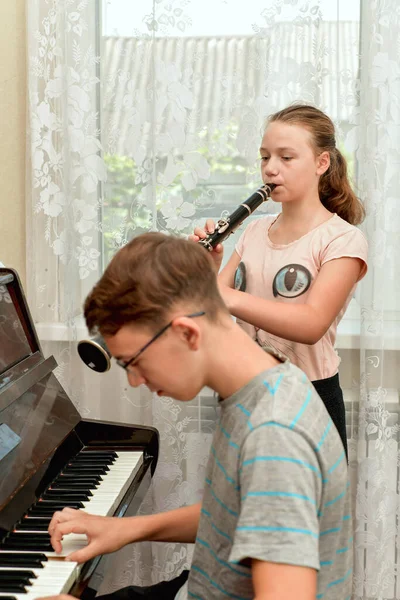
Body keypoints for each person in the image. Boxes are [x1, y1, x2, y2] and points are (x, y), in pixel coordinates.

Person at [37, 231, 351, 600]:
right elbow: (236, 511)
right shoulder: (262, 380)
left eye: (133, 363)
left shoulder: (273, 435)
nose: (136, 381)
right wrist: (125, 529)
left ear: (187, 333)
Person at [191, 103, 368, 457]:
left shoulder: (343, 240)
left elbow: (311, 324)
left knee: (301, 512)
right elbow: (213, 314)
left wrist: (223, 295)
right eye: (265, 157)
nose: (270, 169)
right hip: (244, 391)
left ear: (322, 163)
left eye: (286, 158)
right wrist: (209, 273)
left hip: (308, 396)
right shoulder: (253, 230)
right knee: (242, 507)